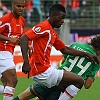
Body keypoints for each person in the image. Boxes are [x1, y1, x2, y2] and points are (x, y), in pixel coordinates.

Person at [18, 3, 99, 100]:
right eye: (61, 18)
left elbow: (65, 49)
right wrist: (26, 62)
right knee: (79, 81)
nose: (62, 21)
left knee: (26, 96)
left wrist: (86, 54)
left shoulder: (53, 33)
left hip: (49, 71)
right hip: (42, 71)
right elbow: (23, 38)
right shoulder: (44, 27)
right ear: (52, 16)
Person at [13, 35, 100, 100]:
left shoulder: (76, 45)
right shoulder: (96, 62)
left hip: (54, 77)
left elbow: (63, 60)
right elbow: (87, 85)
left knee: (22, 97)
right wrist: (92, 79)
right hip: (63, 88)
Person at [0, 0, 25, 100]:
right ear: (13, 5)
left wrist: (27, 45)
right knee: (13, 80)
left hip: (9, 52)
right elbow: (11, 38)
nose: (21, 9)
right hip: (2, 51)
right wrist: (9, 39)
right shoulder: (6, 19)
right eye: (18, 6)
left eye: (23, 7)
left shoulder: (22, 20)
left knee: (7, 83)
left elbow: (17, 38)